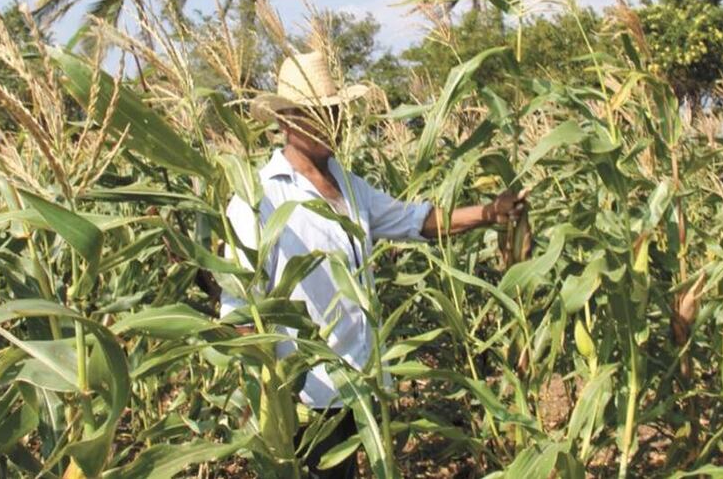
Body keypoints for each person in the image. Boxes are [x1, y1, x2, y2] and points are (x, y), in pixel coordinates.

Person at [218, 50, 528, 478]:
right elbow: (238, 311)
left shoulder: (348, 184)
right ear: (286, 120)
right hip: (305, 400)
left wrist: (489, 213)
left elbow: (415, 221)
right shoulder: (258, 197)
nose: (337, 122)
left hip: (360, 384)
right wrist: (268, 398)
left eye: (338, 111)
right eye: (321, 113)